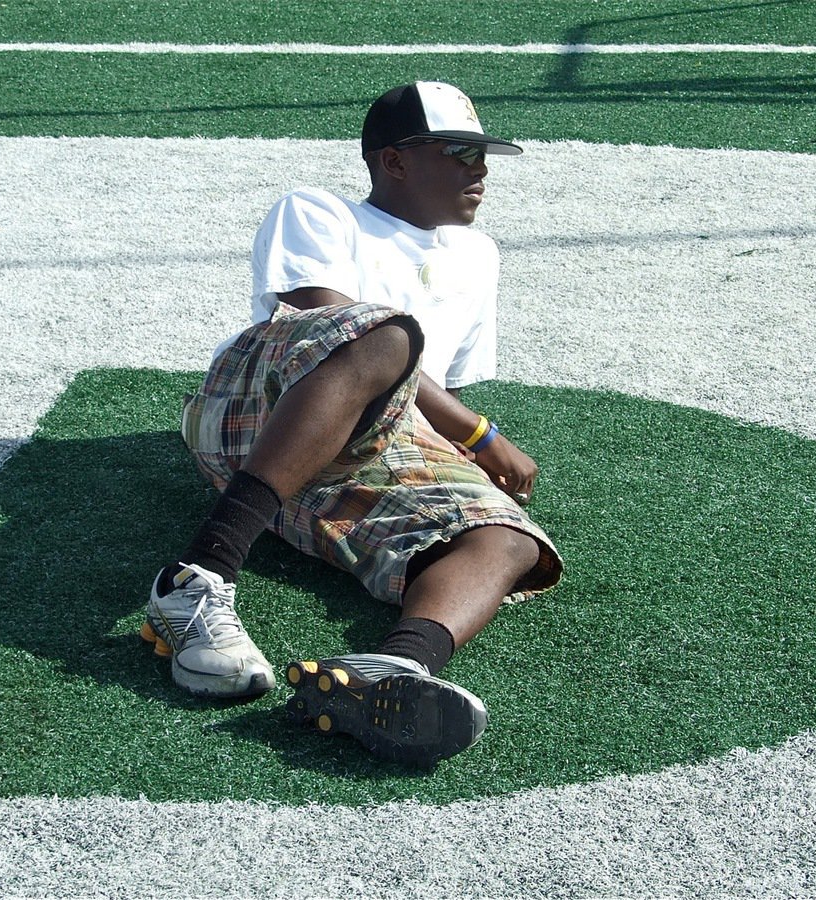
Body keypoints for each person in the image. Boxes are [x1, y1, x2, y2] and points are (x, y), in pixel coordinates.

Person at [140, 82, 563, 767]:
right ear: (394, 161)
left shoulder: (479, 256)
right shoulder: (318, 212)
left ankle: (391, 673)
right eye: (460, 152)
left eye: (483, 154)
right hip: (257, 415)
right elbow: (337, 332)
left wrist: (460, 461)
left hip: (366, 453)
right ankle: (197, 576)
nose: (479, 169)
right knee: (387, 334)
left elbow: (435, 390)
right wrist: (479, 435)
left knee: (511, 541)